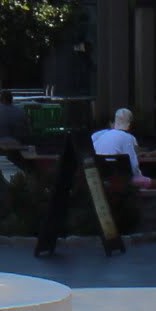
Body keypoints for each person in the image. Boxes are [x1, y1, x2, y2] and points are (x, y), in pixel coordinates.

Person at [36, 108, 129, 260]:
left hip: (100, 167)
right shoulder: (125, 137)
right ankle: (112, 241)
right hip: (110, 173)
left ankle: (47, 243)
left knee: (59, 194)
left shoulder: (98, 136)